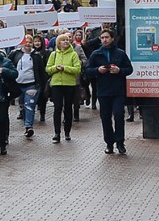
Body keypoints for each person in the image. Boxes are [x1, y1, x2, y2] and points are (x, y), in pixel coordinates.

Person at [87, 26, 135, 155]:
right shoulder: (96, 54)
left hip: (118, 90)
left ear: (112, 38)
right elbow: (87, 71)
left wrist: (119, 70)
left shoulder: (120, 53)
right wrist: (98, 70)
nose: (104, 40)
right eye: (102, 38)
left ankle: (120, 142)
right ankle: (109, 143)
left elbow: (129, 69)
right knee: (105, 117)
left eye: (107, 37)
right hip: (103, 91)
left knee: (119, 115)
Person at [46, 33, 82, 144]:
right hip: (56, 84)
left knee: (68, 108)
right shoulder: (53, 54)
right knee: (57, 108)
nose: (66, 41)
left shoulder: (73, 54)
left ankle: (67, 131)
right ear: (59, 43)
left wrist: (65, 68)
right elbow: (48, 69)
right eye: (63, 40)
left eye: (67, 40)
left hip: (69, 84)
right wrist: (55, 68)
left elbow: (77, 69)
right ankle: (57, 133)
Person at [11, 33, 44, 140]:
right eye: (26, 42)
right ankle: (26, 122)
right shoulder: (15, 54)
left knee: (29, 105)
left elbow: (41, 71)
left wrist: (42, 84)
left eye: (30, 42)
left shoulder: (36, 55)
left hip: (32, 85)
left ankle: (28, 126)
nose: (28, 44)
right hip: (18, 85)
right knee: (22, 106)